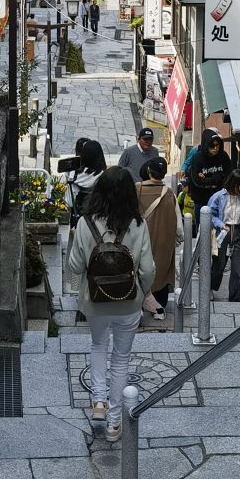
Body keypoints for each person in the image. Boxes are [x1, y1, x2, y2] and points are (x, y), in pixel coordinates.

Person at [64, 166, 154, 438]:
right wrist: (142, 292)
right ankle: (115, 422)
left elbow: (75, 266)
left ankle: (98, 402)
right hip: (128, 302)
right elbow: (148, 269)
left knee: (99, 345)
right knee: (121, 359)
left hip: (95, 300)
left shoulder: (85, 222)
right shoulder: (138, 225)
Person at [137, 159, 178, 322]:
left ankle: (140, 306)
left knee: (140, 270)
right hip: (164, 242)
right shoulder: (169, 193)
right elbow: (178, 222)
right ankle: (159, 308)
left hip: (142, 241)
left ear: (148, 171)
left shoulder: (137, 189)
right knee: (161, 273)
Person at [207, 169, 240, 302]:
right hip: (223, 232)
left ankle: (235, 298)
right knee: (218, 267)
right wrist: (221, 224)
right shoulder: (218, 197)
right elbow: (209, 215)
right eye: (239, 185)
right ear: (232, 183)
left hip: (237, 232)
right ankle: (210, 287)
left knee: (238, 269)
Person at [182, 126, 231, 212]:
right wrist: (217, 178)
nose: (215, 148)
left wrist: (208, 179)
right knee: (201, 224)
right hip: (201, 200)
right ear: (206, 144)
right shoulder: (197, 158)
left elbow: (229, 175)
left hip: (219, 199)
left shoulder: (223, 156)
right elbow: (197, 181)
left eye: (217, 145)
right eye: (212, 145)